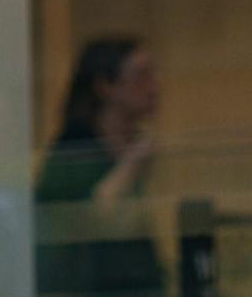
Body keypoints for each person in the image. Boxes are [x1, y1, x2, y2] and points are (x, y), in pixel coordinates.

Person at [34, 37, 165, 295]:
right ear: (105, 86)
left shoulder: (127, 147)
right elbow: (93, 217)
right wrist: (130, 166)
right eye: (140, 77)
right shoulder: (72, 152)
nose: (154, 87)